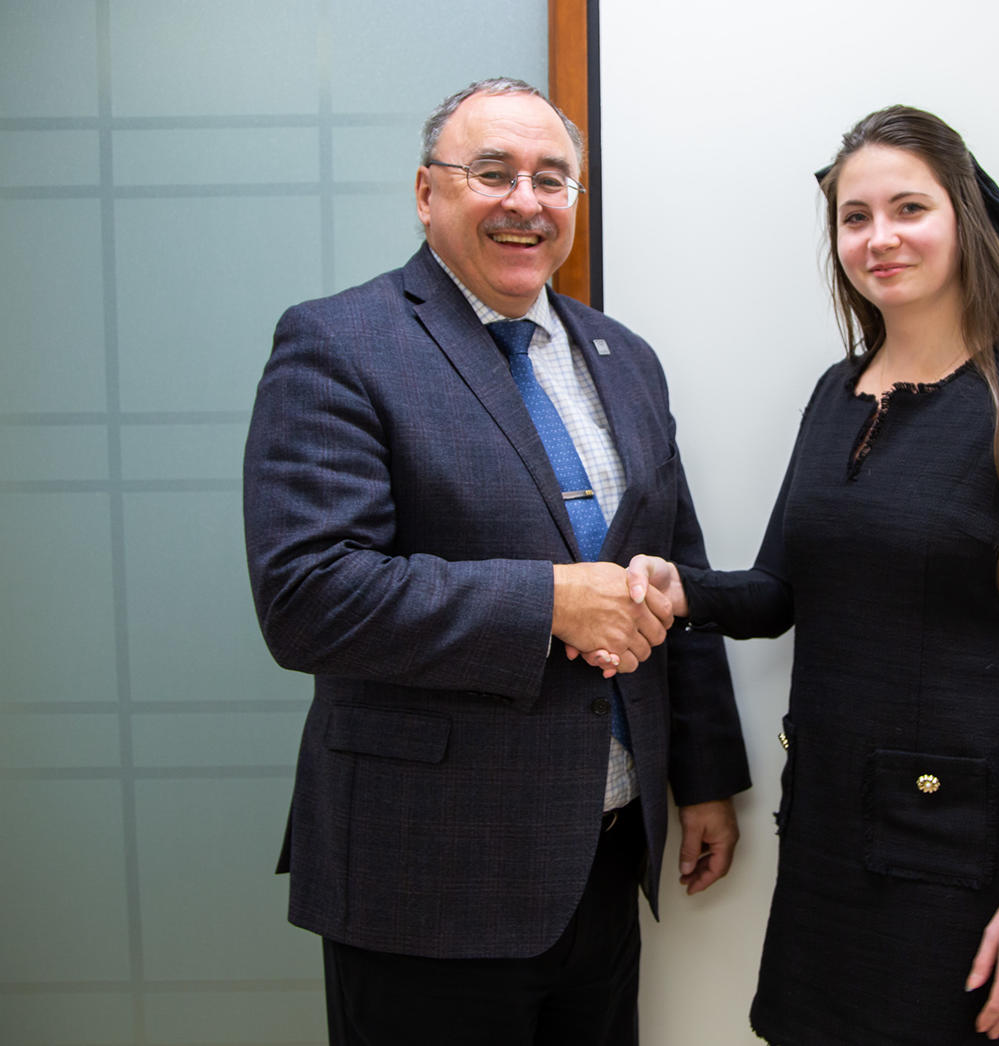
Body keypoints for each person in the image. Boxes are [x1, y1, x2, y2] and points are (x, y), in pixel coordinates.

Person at [242, 77, 750, 1046]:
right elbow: (307, 594)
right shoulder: (341, 342)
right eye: (492, 172)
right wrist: (548, 601)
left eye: (552, 178)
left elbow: (671, 573)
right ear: (427, 192)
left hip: (603, 857)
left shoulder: (625, 356)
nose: (526, 199)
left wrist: (704, 777)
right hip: (424, 869)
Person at [611, 106, 999, 1043]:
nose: (879, 237)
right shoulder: (834, 395)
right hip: (830, 831)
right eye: (854, 216)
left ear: (965, 219)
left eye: (908, 208)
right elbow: (779, 593)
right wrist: (681, 590)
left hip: (967, 847)